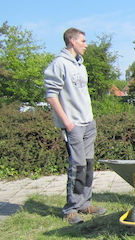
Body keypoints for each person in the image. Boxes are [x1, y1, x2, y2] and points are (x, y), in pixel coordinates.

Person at [44, 28, 107, 225]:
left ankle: (84, 203)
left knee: (87, 166)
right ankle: (70, 209)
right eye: (83, 40)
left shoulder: (80, 65)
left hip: (88, 123)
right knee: (77, 167)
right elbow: (51, 96)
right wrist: (67, 123)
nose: (86, 44)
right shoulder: (59, 64)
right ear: (72, 41)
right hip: (74, 125)